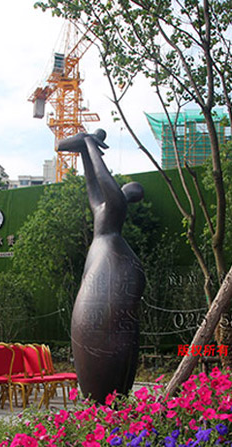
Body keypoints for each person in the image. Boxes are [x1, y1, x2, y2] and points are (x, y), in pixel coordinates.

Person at [59, 129, 145, 404]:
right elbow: (92, 185)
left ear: (129, 196)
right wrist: (85, 153)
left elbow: (104, 180)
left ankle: (108, 395)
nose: (121, 188)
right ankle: (99, 397)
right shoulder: (102, 208)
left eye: (126, 188)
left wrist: (89, 144)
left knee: (110, 322)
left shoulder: (117, 205)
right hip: (101, 255)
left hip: (109, 258)